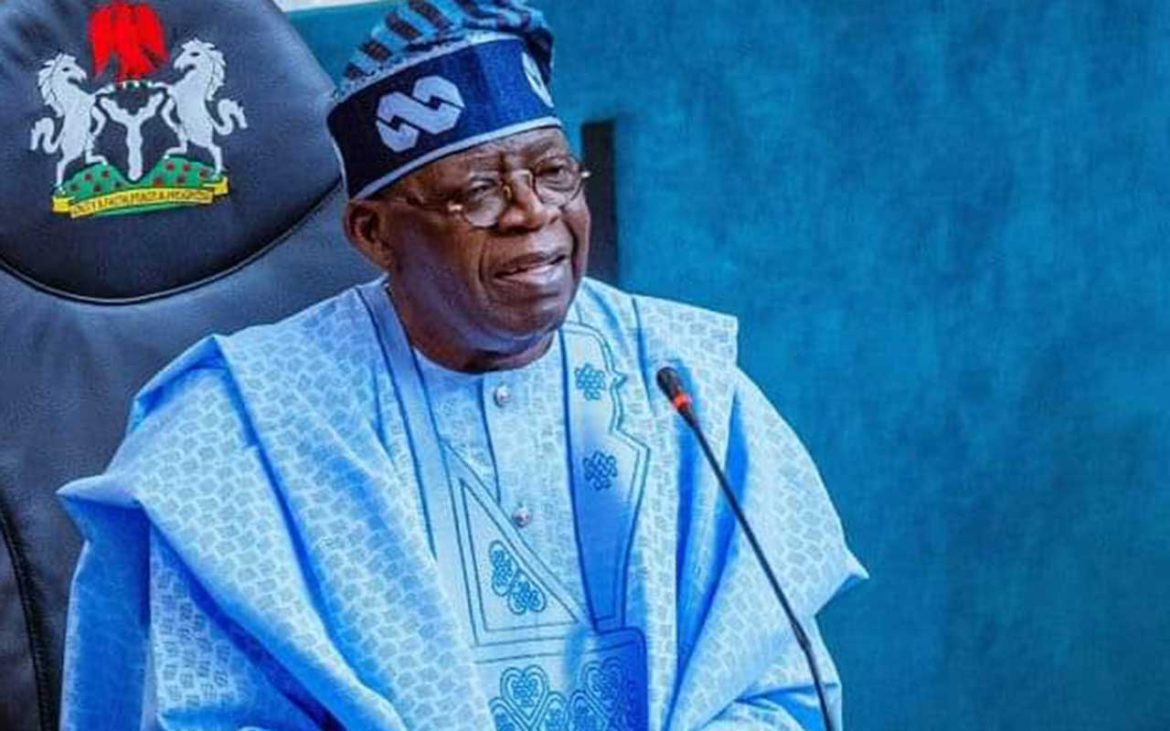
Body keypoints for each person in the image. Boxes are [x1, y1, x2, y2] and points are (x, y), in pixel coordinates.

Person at [58, 1, 866, 729]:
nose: (533, 212)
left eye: (554, 173)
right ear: (373, 233)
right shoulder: (242, 432)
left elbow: (778, 690)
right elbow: (213, 714)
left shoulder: (683, 383)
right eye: (478, 191)